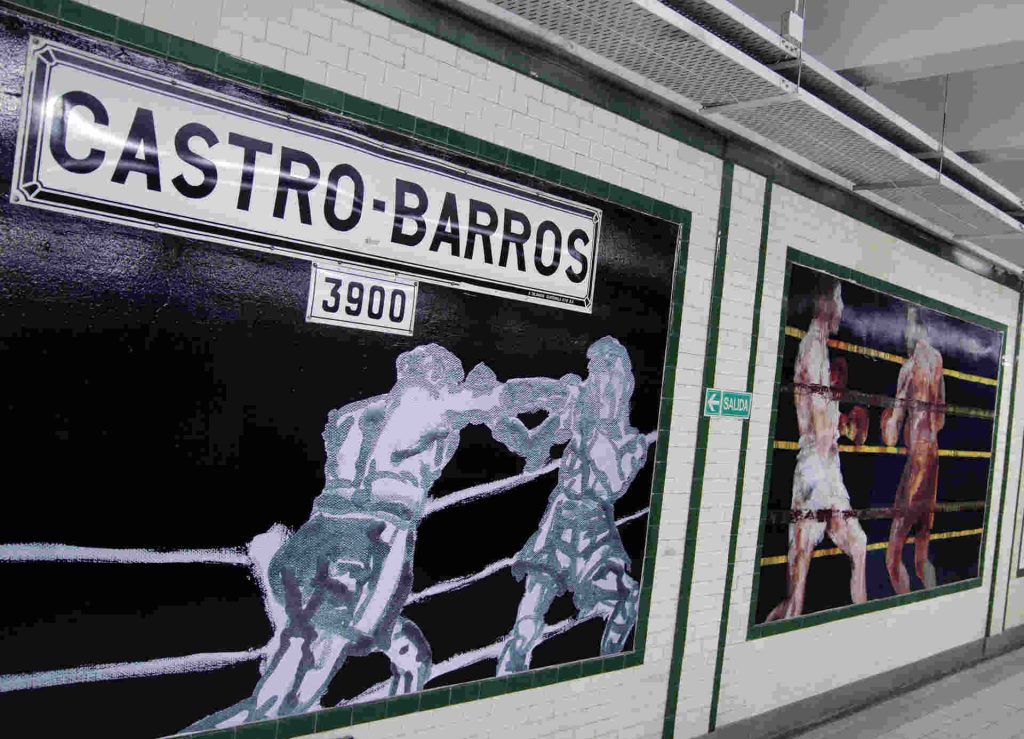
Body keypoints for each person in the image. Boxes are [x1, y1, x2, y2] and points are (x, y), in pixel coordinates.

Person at [190, 344, 569, 730]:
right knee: (285, 703)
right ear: (436, 379)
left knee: (412, 656)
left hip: (316, 539)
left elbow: (521, 443)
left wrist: (509, 425)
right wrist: (565, 393)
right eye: (451, 384)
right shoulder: (428, 406)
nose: (455, 392)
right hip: (361, 552)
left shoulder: (351, 415)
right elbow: (507, 398)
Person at [496, 337, 649, 674]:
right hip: (561, 521)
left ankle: (608, 666)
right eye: (595, 369)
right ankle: (506, 678)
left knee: (628, 596)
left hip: (595, 529)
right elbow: (533, 441)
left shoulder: (632, 443)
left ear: (623, 380)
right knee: (527, 621)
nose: (600, 379)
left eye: (608, 370)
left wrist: (591, 428)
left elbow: (612, 486)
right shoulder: (578, 404)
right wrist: (498, 411)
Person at [766, 278, 869, 622]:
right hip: (814, 467)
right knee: (795, 597)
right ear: (825, 303)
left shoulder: (821, 349)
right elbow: (821, 425)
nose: (842, 308)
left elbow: (825, 418)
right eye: (839, 299)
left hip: (827, 467)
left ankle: (864, 627)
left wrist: (843, 425)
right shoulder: (812, 347)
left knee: (858, 545)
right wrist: (843, 426)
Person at [881, 306, 946, 594]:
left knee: (892, 558)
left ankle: (905, 607)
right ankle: (932, 601)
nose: (903, 335)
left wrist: (886, 421)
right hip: (934, 459)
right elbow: (941, 419)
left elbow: (891, 436)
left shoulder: (908, 370)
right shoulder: (938, 360)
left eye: (906, 327)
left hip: (917, 464)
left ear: (915, 329)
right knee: (921, 558)